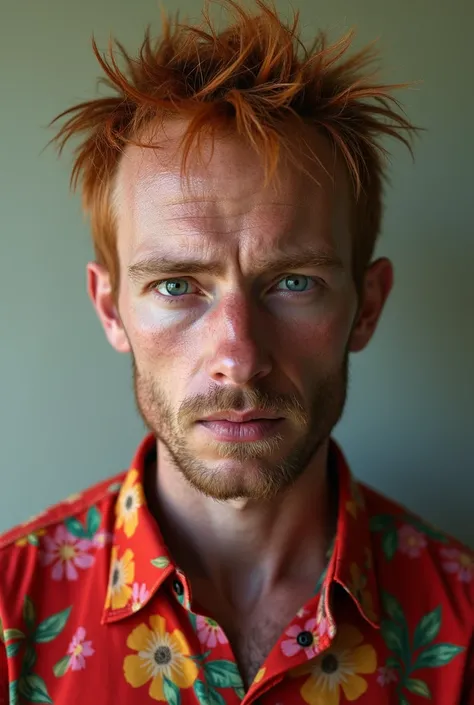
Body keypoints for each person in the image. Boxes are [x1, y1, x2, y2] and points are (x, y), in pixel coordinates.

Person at [1, 1, 473, 703]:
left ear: (365, 306)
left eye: (292, 282)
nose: (239, 356)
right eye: (177, 285)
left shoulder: (463, 625)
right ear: (111, 309)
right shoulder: (10, 617)